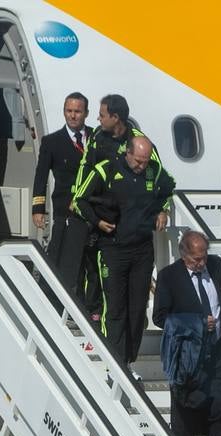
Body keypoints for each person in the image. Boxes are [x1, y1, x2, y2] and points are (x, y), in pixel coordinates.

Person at [72, 135, 175, 373]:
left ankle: (128, 359)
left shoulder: (154, 171)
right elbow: (80, 200)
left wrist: (163, 211)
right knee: (115, 307)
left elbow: (169, 187)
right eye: (138, 161)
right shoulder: (105, 169)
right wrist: (97, 222)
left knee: (138, 308)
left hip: (141, 249)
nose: (141, 166)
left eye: (145, 161)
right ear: (127, 154)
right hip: (112, 247)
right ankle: (114, 361)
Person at [153, 231, 221, 436]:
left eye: (204, 257)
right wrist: (196, 323)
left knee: (220, 413)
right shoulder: (169, 276)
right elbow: (160, 317)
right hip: (187, 357)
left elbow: (220, 304)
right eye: (196, 259)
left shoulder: (216, 266)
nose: (201, 263)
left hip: (216, 353)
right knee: (183, 417)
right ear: (184, 255)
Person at [32, 93, 93, 313]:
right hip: (65, 210)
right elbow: (40, 176)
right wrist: (38, 208)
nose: (73, 116)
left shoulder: (95, 138)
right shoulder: (53, 141)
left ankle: (87, 306)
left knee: (88, 262)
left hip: (93, 210)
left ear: (86, 113)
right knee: (62, 258)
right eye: (69, 111)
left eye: (77, 111)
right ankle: (54, 304)